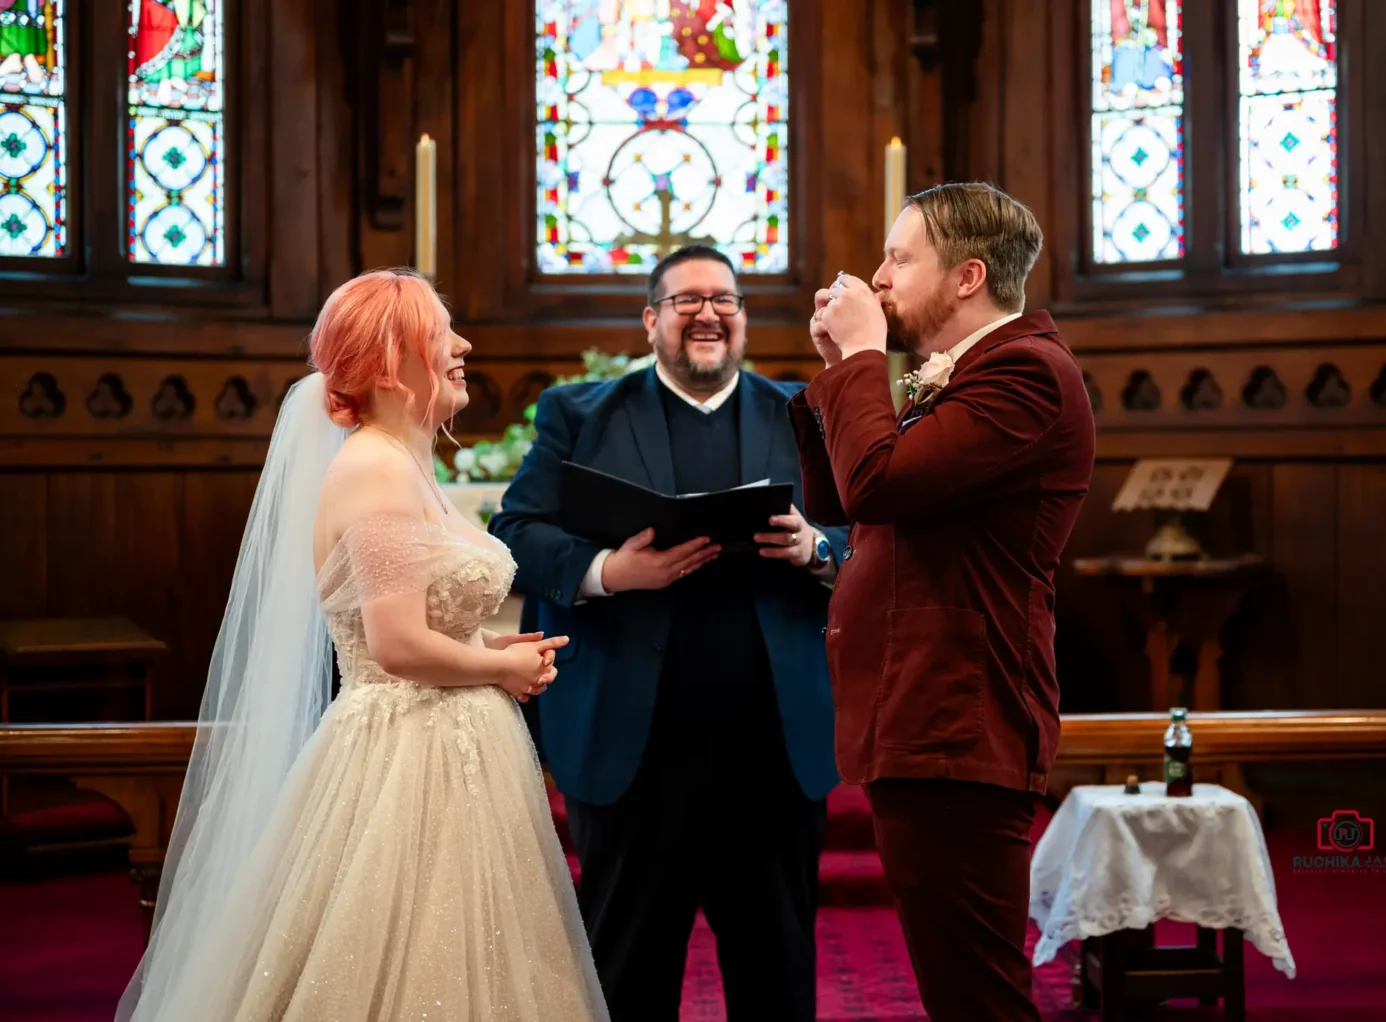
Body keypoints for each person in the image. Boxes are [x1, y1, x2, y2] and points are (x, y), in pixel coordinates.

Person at [117, 269, 608, 1021]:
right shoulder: (375, 468)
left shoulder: (408, 464)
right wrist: (500, 664)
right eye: (442, 333)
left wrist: (490, 650)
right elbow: (396, 643)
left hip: (455, 746)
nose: (463, 345)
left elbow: (423, 614)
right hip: (408, 759)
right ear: (389, 359)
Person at [490, 245, 847, 1022]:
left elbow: (872, 534)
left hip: (772, 749)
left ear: (743, 319)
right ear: (651, 320)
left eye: (724, 299)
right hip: (633, 746)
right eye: (686, 301)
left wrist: (817, 548)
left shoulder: (805, 412)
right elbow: (513, 530)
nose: (708, 313)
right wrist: (608, 572)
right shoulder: (579, 414)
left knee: (776, 970)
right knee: (627, 970)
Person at [788, 183, 1096, 1022]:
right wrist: (837, 368)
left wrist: (862, 359)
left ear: (966, 277)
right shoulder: (972, 373)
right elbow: (843, 499)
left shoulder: (1025, 374)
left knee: (978, 994)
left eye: (898, 257)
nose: (878, 279)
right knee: (959, 986)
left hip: (961, 714)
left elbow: (877, 484)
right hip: (923, 712)